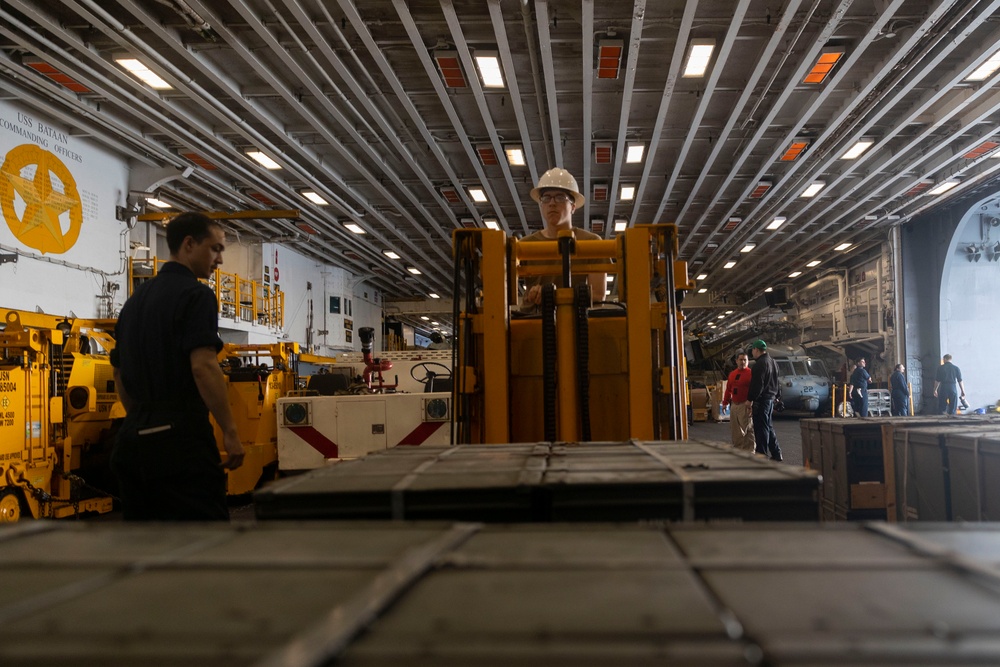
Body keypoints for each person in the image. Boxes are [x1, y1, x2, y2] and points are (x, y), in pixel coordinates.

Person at [111, 212, 244, 521]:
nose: (219, 260)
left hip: (131, 444)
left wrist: (142, 418)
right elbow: (203, 366)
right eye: (215, 249)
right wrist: (230, 432)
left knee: (145, 550)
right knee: (202, 546)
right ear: (188, 245)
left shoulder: (134, 301)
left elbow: (119, 373)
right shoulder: (196, 295)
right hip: (181, 445)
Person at [519, 168, 607, 312]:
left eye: (560, 197)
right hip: (532, 321)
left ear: (573, 206)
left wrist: (553, 295)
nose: (552, 203)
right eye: (546, 198)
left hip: (576, 324)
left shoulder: (592, 243)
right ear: (541, 205)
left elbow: (598, 295)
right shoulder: (523, 246)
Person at [747, 339, 782, 461]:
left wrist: (750, 399)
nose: (752, 352)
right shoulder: (773, 362)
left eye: (753, 350)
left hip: (762, 401)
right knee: (768, 426)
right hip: (771, 399)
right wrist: (778, 396)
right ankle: (776, 453)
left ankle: (761, 456)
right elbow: (778, 382)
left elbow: (757, 386)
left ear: (756, 350)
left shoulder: (759, 364)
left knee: (761, 428)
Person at [722, 352, 755, 452]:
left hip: (745, 404)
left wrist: (751, 404)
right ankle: (738, 449)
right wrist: (725, 403)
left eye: (745, 360)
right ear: (736, 361)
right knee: (735, 429)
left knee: (748, 428)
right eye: (741, 360)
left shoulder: (751, 374)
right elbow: (728, 389)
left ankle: (750, 450)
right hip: (734, 405)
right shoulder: (732, 374)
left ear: (748, 361)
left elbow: (754, 389)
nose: (743, 362)